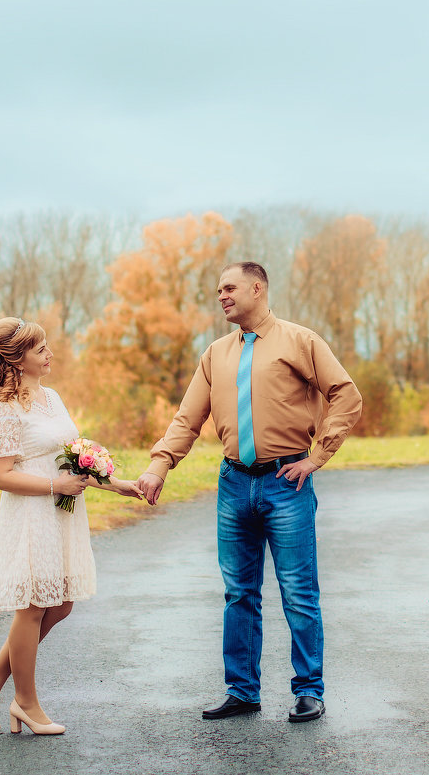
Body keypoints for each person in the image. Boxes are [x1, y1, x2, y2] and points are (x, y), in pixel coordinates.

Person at [137, 262, 362, 723]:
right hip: (234, 483)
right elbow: (187, 419)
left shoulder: (301, 341)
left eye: (229, 287)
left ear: (257, 288)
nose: (221, 295)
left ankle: (309, 692)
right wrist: (160, 466)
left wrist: (317, 457)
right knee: (239, 593)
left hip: (287, 483)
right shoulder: (215, 354)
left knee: (299, 592)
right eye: (218, 289)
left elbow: (346, 394)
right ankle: (242, 690)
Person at [0, 317, 143, 735]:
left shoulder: (52, 398)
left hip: (63, 514)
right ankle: (25, 702)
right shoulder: (6, 412)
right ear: (19, 360)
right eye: (41, 349)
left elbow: (73, 457)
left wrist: (117, 485)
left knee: (61, 605)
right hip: (32, 515)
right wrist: (52, 485)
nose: (49, 354)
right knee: (35, 607)